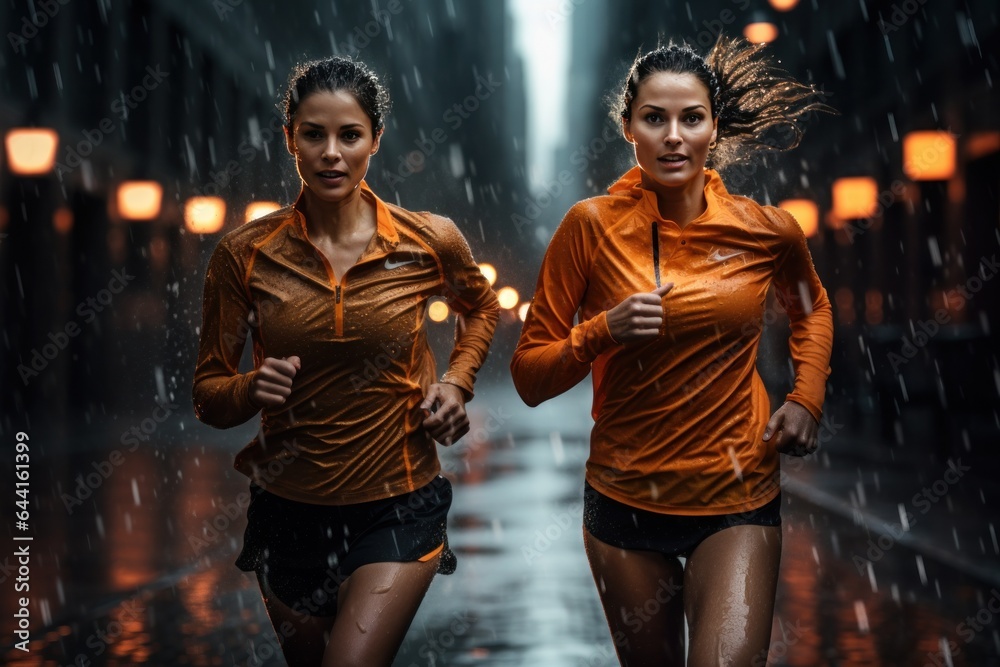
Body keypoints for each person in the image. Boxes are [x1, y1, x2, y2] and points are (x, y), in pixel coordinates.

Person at [511, 37, 834, 666]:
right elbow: (529, 375)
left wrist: (807, 399)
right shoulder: (588, 227)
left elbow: (812, 307)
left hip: (737, 492)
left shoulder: (768, 230)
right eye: (654, 118)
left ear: (715, 126)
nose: (673, 136)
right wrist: (602, 330)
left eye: (691, 118)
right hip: (624, 502)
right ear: (628, 126)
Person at [192, 56, 499, 667]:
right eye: (314, 134)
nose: (331, 152)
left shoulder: (428, 239)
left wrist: (457, 384)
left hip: (398, 502)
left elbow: (482, 307)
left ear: (375, 141)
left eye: (349, 135)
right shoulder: (244, 255)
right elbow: (208, 394)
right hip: (288, 511)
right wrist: (252, 388)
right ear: (290, 140)